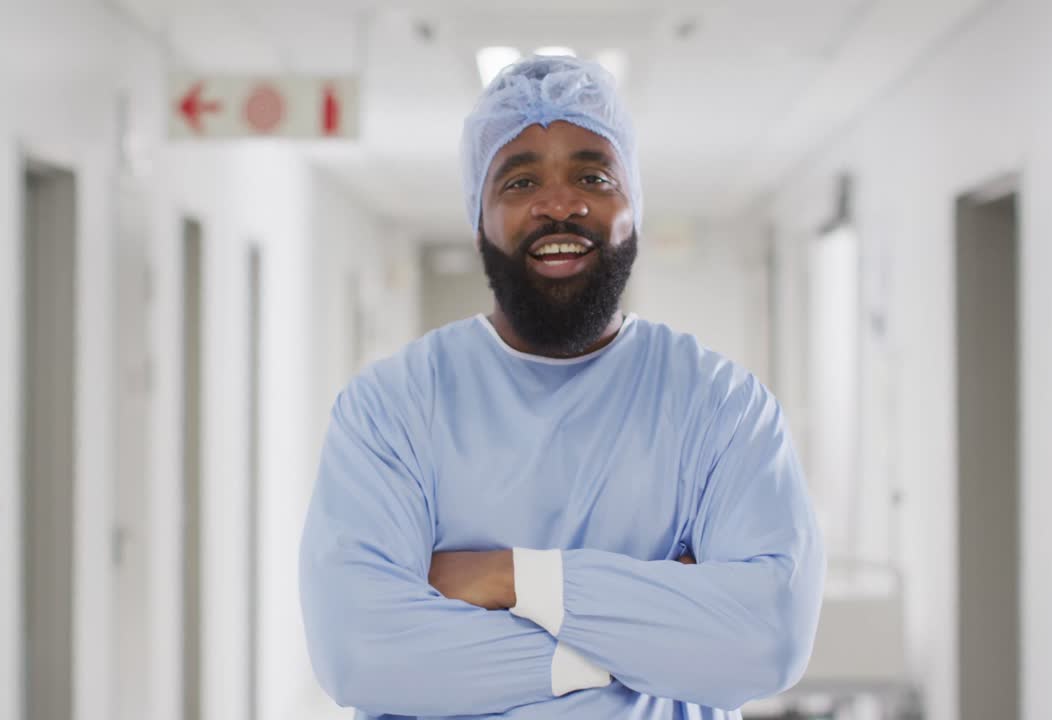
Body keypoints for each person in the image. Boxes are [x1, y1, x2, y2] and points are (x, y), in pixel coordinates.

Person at [299, 55, 825, 719]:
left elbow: (765, 644)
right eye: (519, 181)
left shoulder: (721, 407)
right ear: (479, 216)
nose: (559, 203)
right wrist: (648, 638)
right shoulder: (392, 409)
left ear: (632, 203)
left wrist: (508, 578)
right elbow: (361, 655)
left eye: (593, 175)